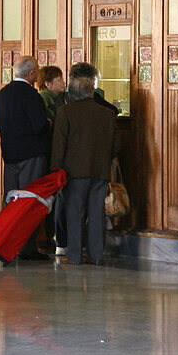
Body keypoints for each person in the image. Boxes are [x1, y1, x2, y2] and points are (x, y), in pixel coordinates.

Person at [51, 76, 118, 265]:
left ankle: (74, 255)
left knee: (75, 213)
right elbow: (115, 145)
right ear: (92, 92)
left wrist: (56, 169)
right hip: (100, 170)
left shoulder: (65, 112)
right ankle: (96, 254)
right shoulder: (107, 113)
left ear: (72, 93)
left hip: (73, 172)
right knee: (97, 213)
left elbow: (59, 145)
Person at [0, 56, 52, 261]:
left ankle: (3, 244)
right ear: (32, 74)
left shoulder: (2, 94)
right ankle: (26, 248)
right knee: (29, 200)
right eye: (36, 72)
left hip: (9, 155)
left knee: (10, 200)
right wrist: (49, 123)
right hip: (31, 155)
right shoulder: (31, 95)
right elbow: (40, 126)